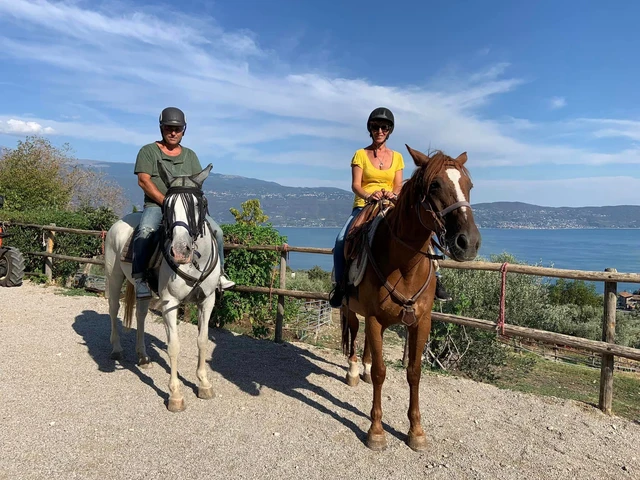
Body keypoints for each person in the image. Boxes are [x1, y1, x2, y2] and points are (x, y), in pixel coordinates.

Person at [328, 107, 451, 308]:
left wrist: (393, 194)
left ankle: (436, 278)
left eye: (384, 127)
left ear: (389, 130)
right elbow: (356, 185)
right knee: (341, 239)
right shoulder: (360, 154)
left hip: (391, 204)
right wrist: (369, 195)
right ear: (370, 129)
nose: (379, 131)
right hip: (365, 205)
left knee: (423, 233)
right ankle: (341, 287)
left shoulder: (398, 157)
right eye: (375, 127)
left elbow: (397, 185)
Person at [131, 106, 235, 298]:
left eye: (177, 129)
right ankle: (140, 279)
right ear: (161, 128)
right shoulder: (148, 152)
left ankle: (220, 274)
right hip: (157, 205)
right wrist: (167, 204)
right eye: (168, 128)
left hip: (186, 209)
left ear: (183, 131)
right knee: (145, 231)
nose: (173, 132)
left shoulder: (190, 155)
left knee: (217, 232)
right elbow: (144, 181)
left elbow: (196, 185)